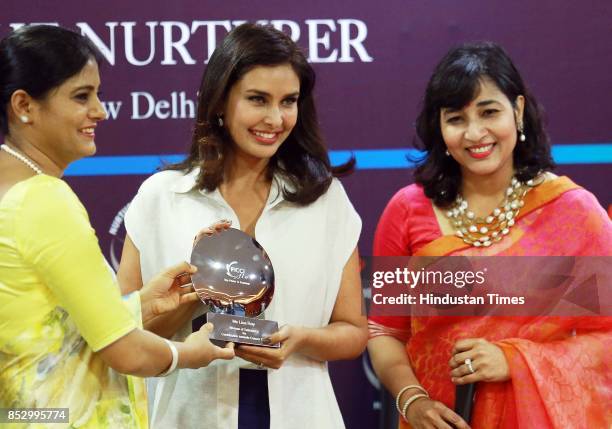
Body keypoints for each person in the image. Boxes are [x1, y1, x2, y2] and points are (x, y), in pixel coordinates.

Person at [117, 23, 368, 429]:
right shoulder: (161, 197)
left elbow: (353, 331)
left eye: (289, 101)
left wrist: (299, 339)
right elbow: (123, 333)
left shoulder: (326, 199)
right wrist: (199, 293)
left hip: (301, 413)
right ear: (220, 102)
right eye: (257, 99)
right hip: (187, 415)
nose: (275, 118)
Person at [367, 42, 612, 428]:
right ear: (440, 127)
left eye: (489, 112)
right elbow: (385, 331)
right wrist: (413, 402)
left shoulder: (573, 213)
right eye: (456, 118)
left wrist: (515, 361)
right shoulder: (407, 211)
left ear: (517, 111)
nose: (475, 133)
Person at [0, 25, 234, 429]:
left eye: (98, 94)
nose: (100, 111)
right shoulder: (43, 199)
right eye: (81, 96)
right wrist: (189, 353)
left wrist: (142, 304)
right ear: (24, 105)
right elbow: (126, 353)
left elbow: (45, 331)